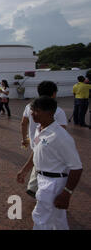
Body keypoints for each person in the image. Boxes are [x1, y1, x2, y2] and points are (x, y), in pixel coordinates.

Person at [17, 96, 82, 230]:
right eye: (32, 110)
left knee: (40, 218)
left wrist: (66, 193)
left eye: (36, 111)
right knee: (58, 220)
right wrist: (25, 170)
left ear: (49, 113)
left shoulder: (60, 136)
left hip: (53, 184)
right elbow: (36, 151)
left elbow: (77, 168)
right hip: (42, 179)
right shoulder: (39, 130)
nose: (32, 114)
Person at [21, 81, 68, 198]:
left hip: (35, 141)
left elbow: (23, 123)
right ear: (53, 94)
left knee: (37, 160)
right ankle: (36, 188)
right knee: (45, 167)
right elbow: (62, 131)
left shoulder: (29, 106)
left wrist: (25, 139)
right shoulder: (58, 111)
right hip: (49, 145)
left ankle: (33, 186)